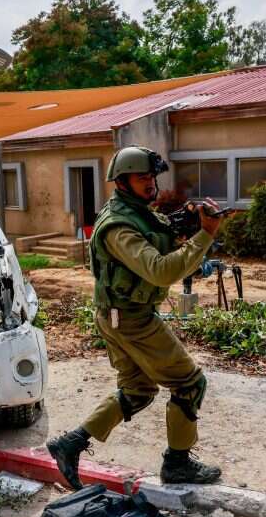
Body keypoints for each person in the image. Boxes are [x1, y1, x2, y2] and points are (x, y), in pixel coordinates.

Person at [47, 146, 224, 489]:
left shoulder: (139, 213)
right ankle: (177, 464)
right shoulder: (119, 226)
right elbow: (158, 270)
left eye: (152, 177)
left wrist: (193, 249)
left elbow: (163, 247)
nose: (150, 184)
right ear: (122, 181)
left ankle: (70, 444)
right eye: (142, 177)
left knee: (138, 391)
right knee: (189, 384)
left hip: (118, 315)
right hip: (131, 318)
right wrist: (205, 234)